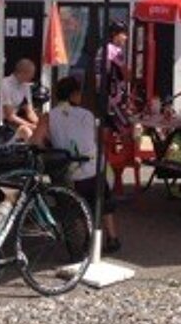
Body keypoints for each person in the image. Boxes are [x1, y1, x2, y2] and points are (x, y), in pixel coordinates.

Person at [31, 75, 121, 253]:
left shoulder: (48, 117)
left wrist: (52, 142)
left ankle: (83, 240)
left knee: (75, 207)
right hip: (94, 167)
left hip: (69, 171)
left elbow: (35, 142)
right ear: (74, 95)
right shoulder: (87, 115)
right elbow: (89, 140)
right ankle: (112, 237)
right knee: (103, 203)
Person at [0, 58, 39, 139]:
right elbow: (10, 116)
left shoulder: (25, 86)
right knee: (26, 132)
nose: (33, 76)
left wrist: (39, 124)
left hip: (12, 121)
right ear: (23, 72)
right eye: (31, 74)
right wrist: (30, 125)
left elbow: (30, 112)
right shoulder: (5, 84)